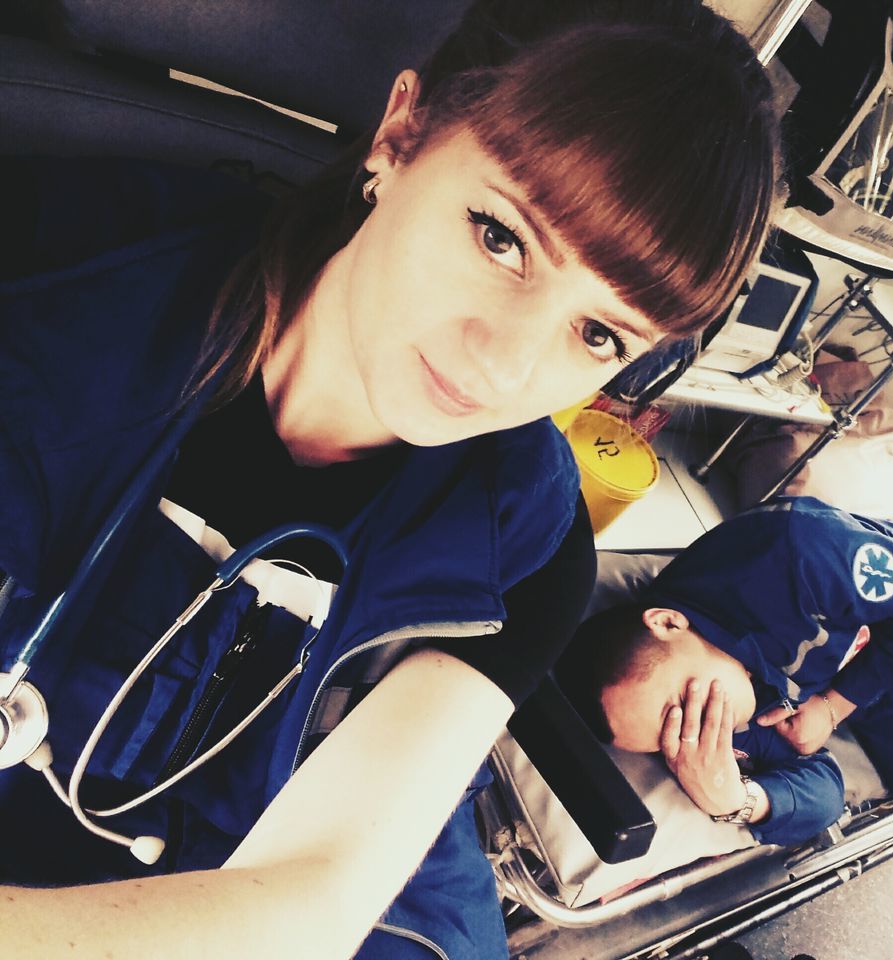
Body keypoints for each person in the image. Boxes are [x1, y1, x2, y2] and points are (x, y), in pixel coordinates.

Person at [0, 2, 780, 957]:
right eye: (501, 239)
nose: (502, 369)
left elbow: (313, 901)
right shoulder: (51, 263)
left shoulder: (524, 552)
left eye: (598, 335)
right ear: (400, 135)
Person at [559, 497, 893, 858]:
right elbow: (823, 787)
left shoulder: (797, 552)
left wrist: (834, 706)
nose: (699, 730)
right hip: (879, 688)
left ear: (668, 624)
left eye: (681, 710)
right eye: (666, 742)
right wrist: (739, 801)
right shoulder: (708, 713)